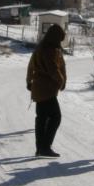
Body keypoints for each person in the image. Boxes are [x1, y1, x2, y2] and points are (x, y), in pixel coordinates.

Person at [26, 24, 66, 158]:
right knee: (56, 117)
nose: (60, 42)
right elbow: (53, 69)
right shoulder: (50, 50)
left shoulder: (41, 46)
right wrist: (61, 81)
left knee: (41, 118)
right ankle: (45, 146)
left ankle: (40, 148)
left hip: (38, 88)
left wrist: (29, 80)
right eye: (59, 39)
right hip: (46, 89)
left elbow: (31, 64)